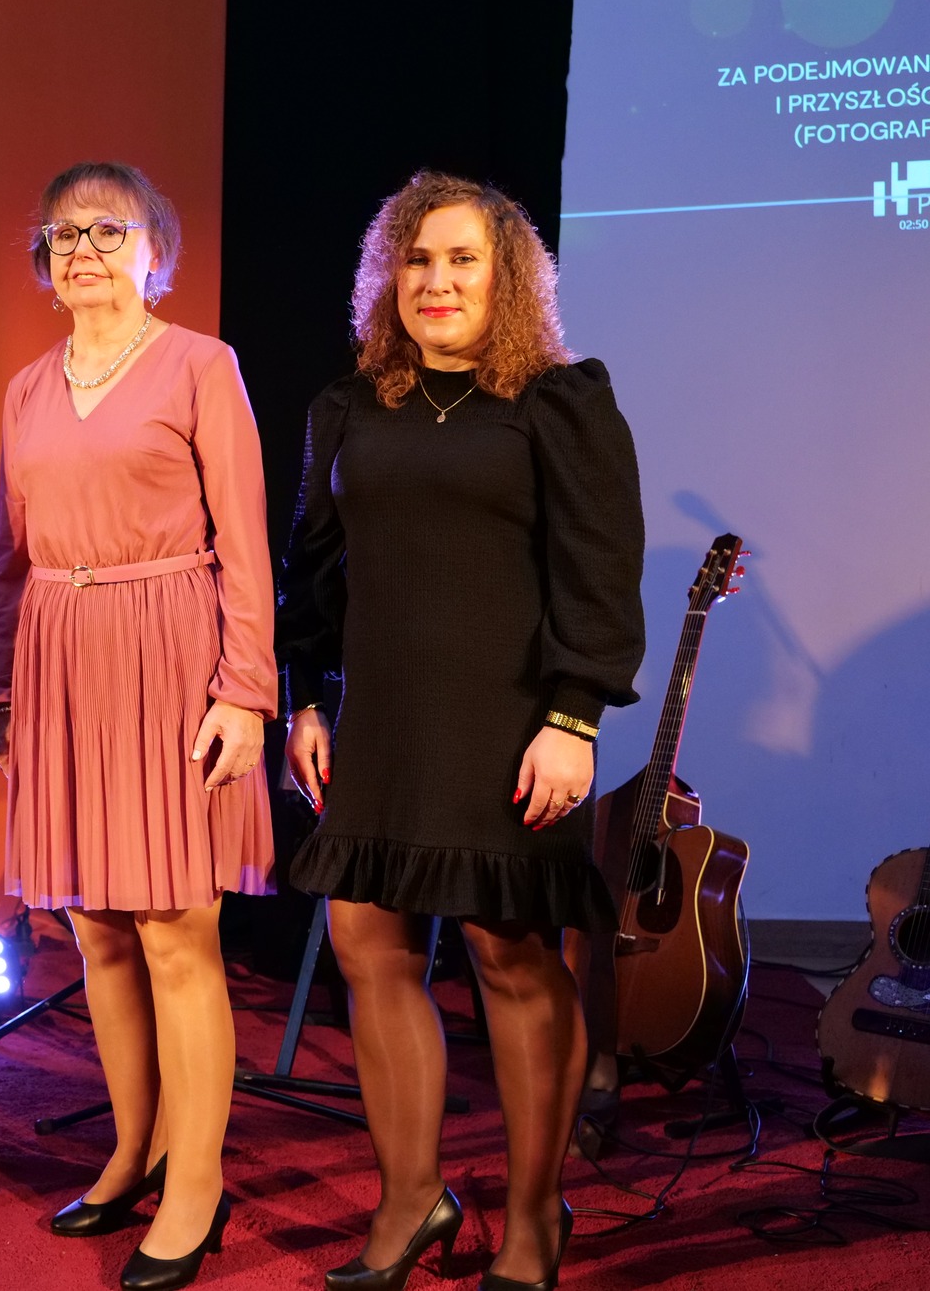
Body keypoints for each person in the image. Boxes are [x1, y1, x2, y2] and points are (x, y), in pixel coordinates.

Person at [277, 171, 645, 1291]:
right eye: (417, 260)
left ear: (507, 278)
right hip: (381, 721)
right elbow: (314, 568)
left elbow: (598, 572)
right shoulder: (350, 405)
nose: (436, 282)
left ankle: (533, 1219)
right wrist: (305, 696)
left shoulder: (558, 402)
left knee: (508, 956)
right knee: (365, 946)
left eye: (462, 260)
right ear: (388, 276)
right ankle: (410, 1202)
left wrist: (573, 718)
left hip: (510, 723)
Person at [0, 162, 277, 1291]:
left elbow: (244, 542)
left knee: (174, 932)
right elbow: (9, 558)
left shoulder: (202, 365)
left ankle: (195, 1183)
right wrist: (4, 691)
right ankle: (133, 1150)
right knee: (96, 929)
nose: (87, 250)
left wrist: (245, 691)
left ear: (156, 252)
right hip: (60, 658)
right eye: (65, 234)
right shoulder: (24, 388)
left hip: (171, 653)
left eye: (111, 230)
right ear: (44, 262)